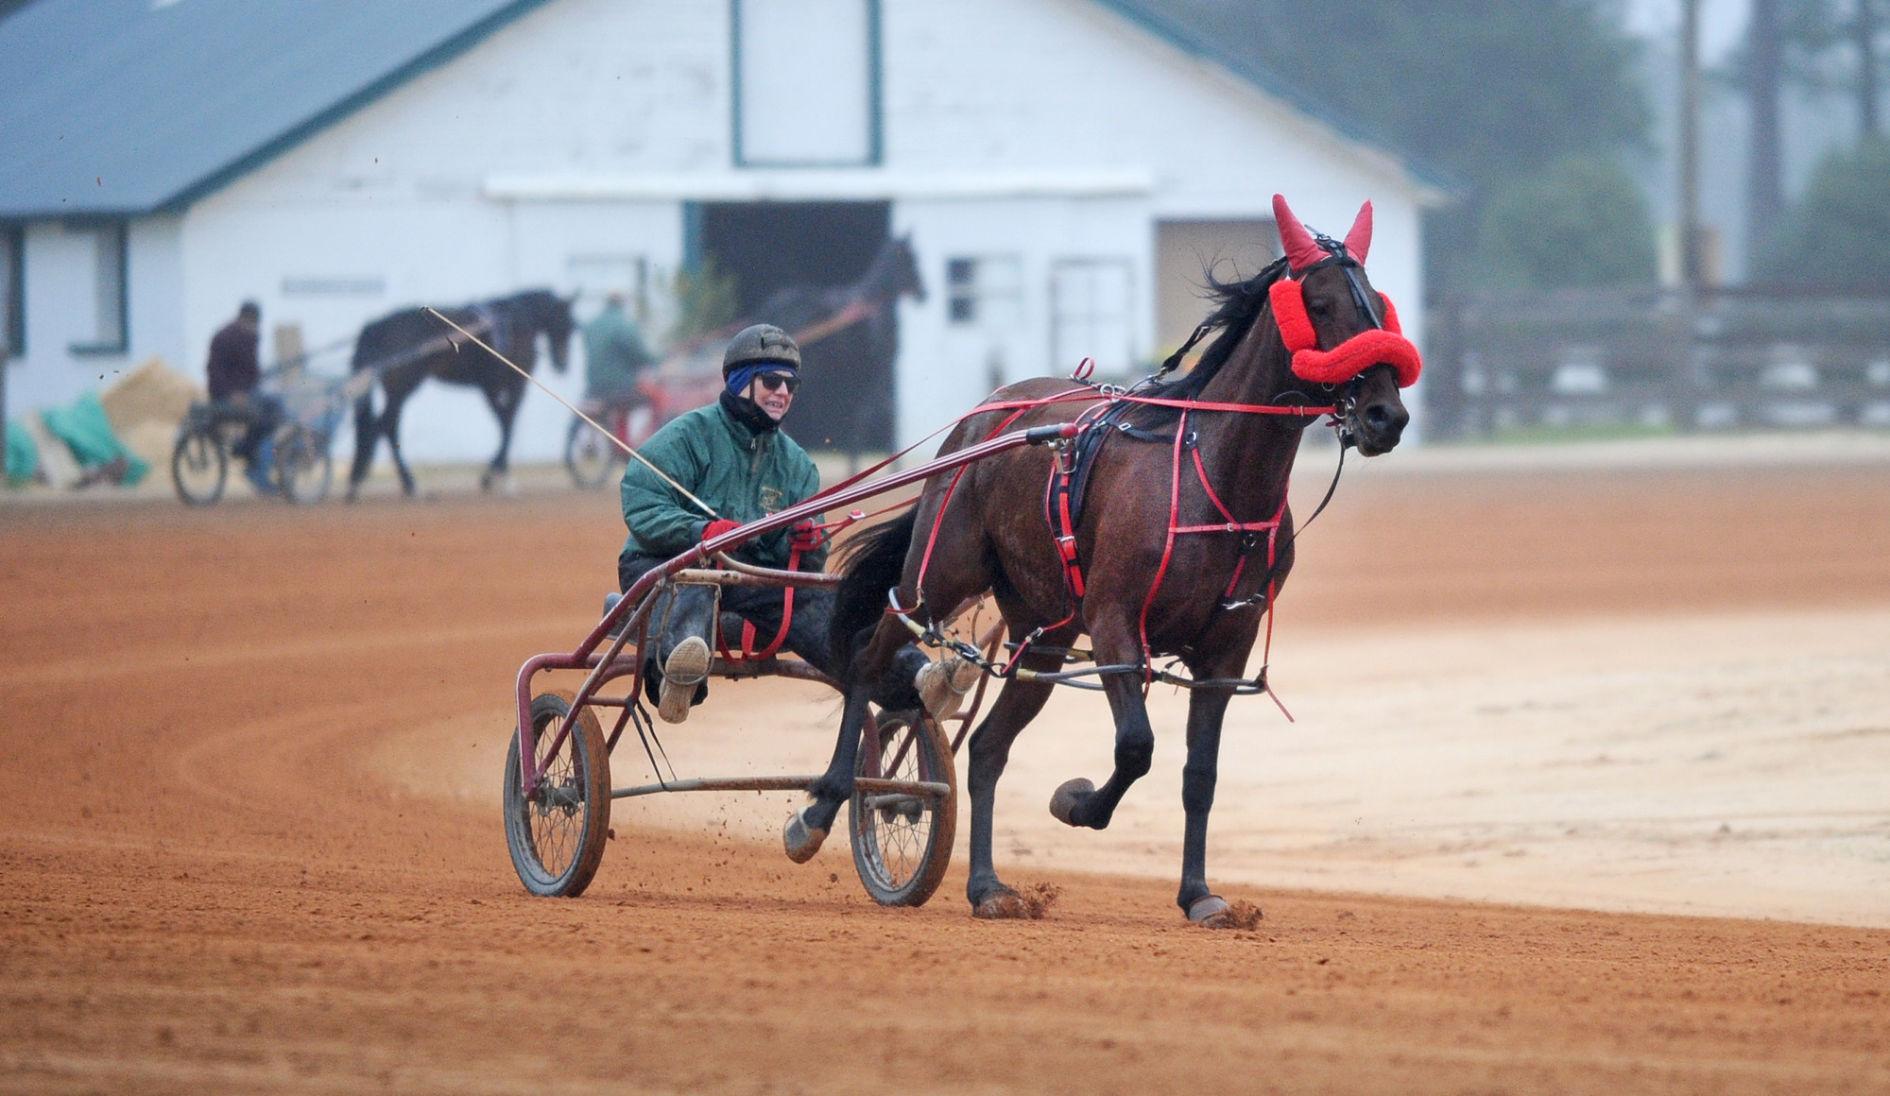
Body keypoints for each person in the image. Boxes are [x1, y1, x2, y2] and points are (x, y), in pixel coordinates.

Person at [618, 323, 976, 724]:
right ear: (739, 381)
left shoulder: (796, 466)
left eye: (791, 384)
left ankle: (917, 676)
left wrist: (805, 545)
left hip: (749, 579)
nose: (783, 393)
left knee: (828, 605)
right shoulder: (687, 437)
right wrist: (699, 534)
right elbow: (643, 504)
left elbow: (805, 569)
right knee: (697, 580)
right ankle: (677, 675)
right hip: (662, 569)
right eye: (772, 381)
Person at [204, 301, 280, 494]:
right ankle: (254, 464)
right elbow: (221, 372)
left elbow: (247, 373)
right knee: (276, 412)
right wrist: (232, 395)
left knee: (267, 411)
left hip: (232, 394)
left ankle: (246, 448)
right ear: (250, 319)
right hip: (231, 397)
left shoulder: (227, 335)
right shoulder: (238, 337)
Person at [581, 292, 655, 410]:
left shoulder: (590, 325)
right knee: (658, 396)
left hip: (593, 388)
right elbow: (639, 355)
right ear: (622, 304)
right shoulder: (624, 325)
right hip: (620, 387)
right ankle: (658, 428)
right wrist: (657, 360)